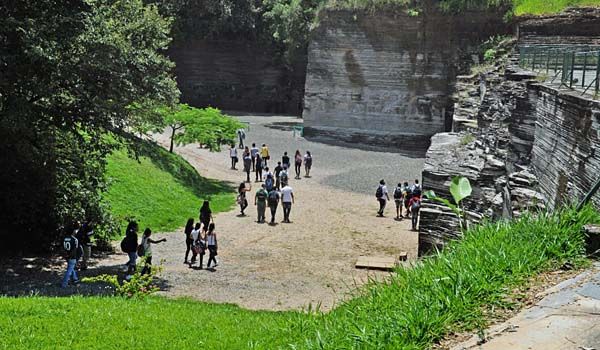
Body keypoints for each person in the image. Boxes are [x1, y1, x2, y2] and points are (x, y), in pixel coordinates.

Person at [61, 222, 82, 288]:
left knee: (71, 268)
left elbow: (63, 248)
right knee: (69, 270)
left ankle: (75, 279)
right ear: (72, 232)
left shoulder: (64, 238)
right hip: (72, 256)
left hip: (66, 255)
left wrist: (66, 255)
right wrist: (73, 257)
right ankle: (64, 284)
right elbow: (74, 250)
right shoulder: (75, 239)